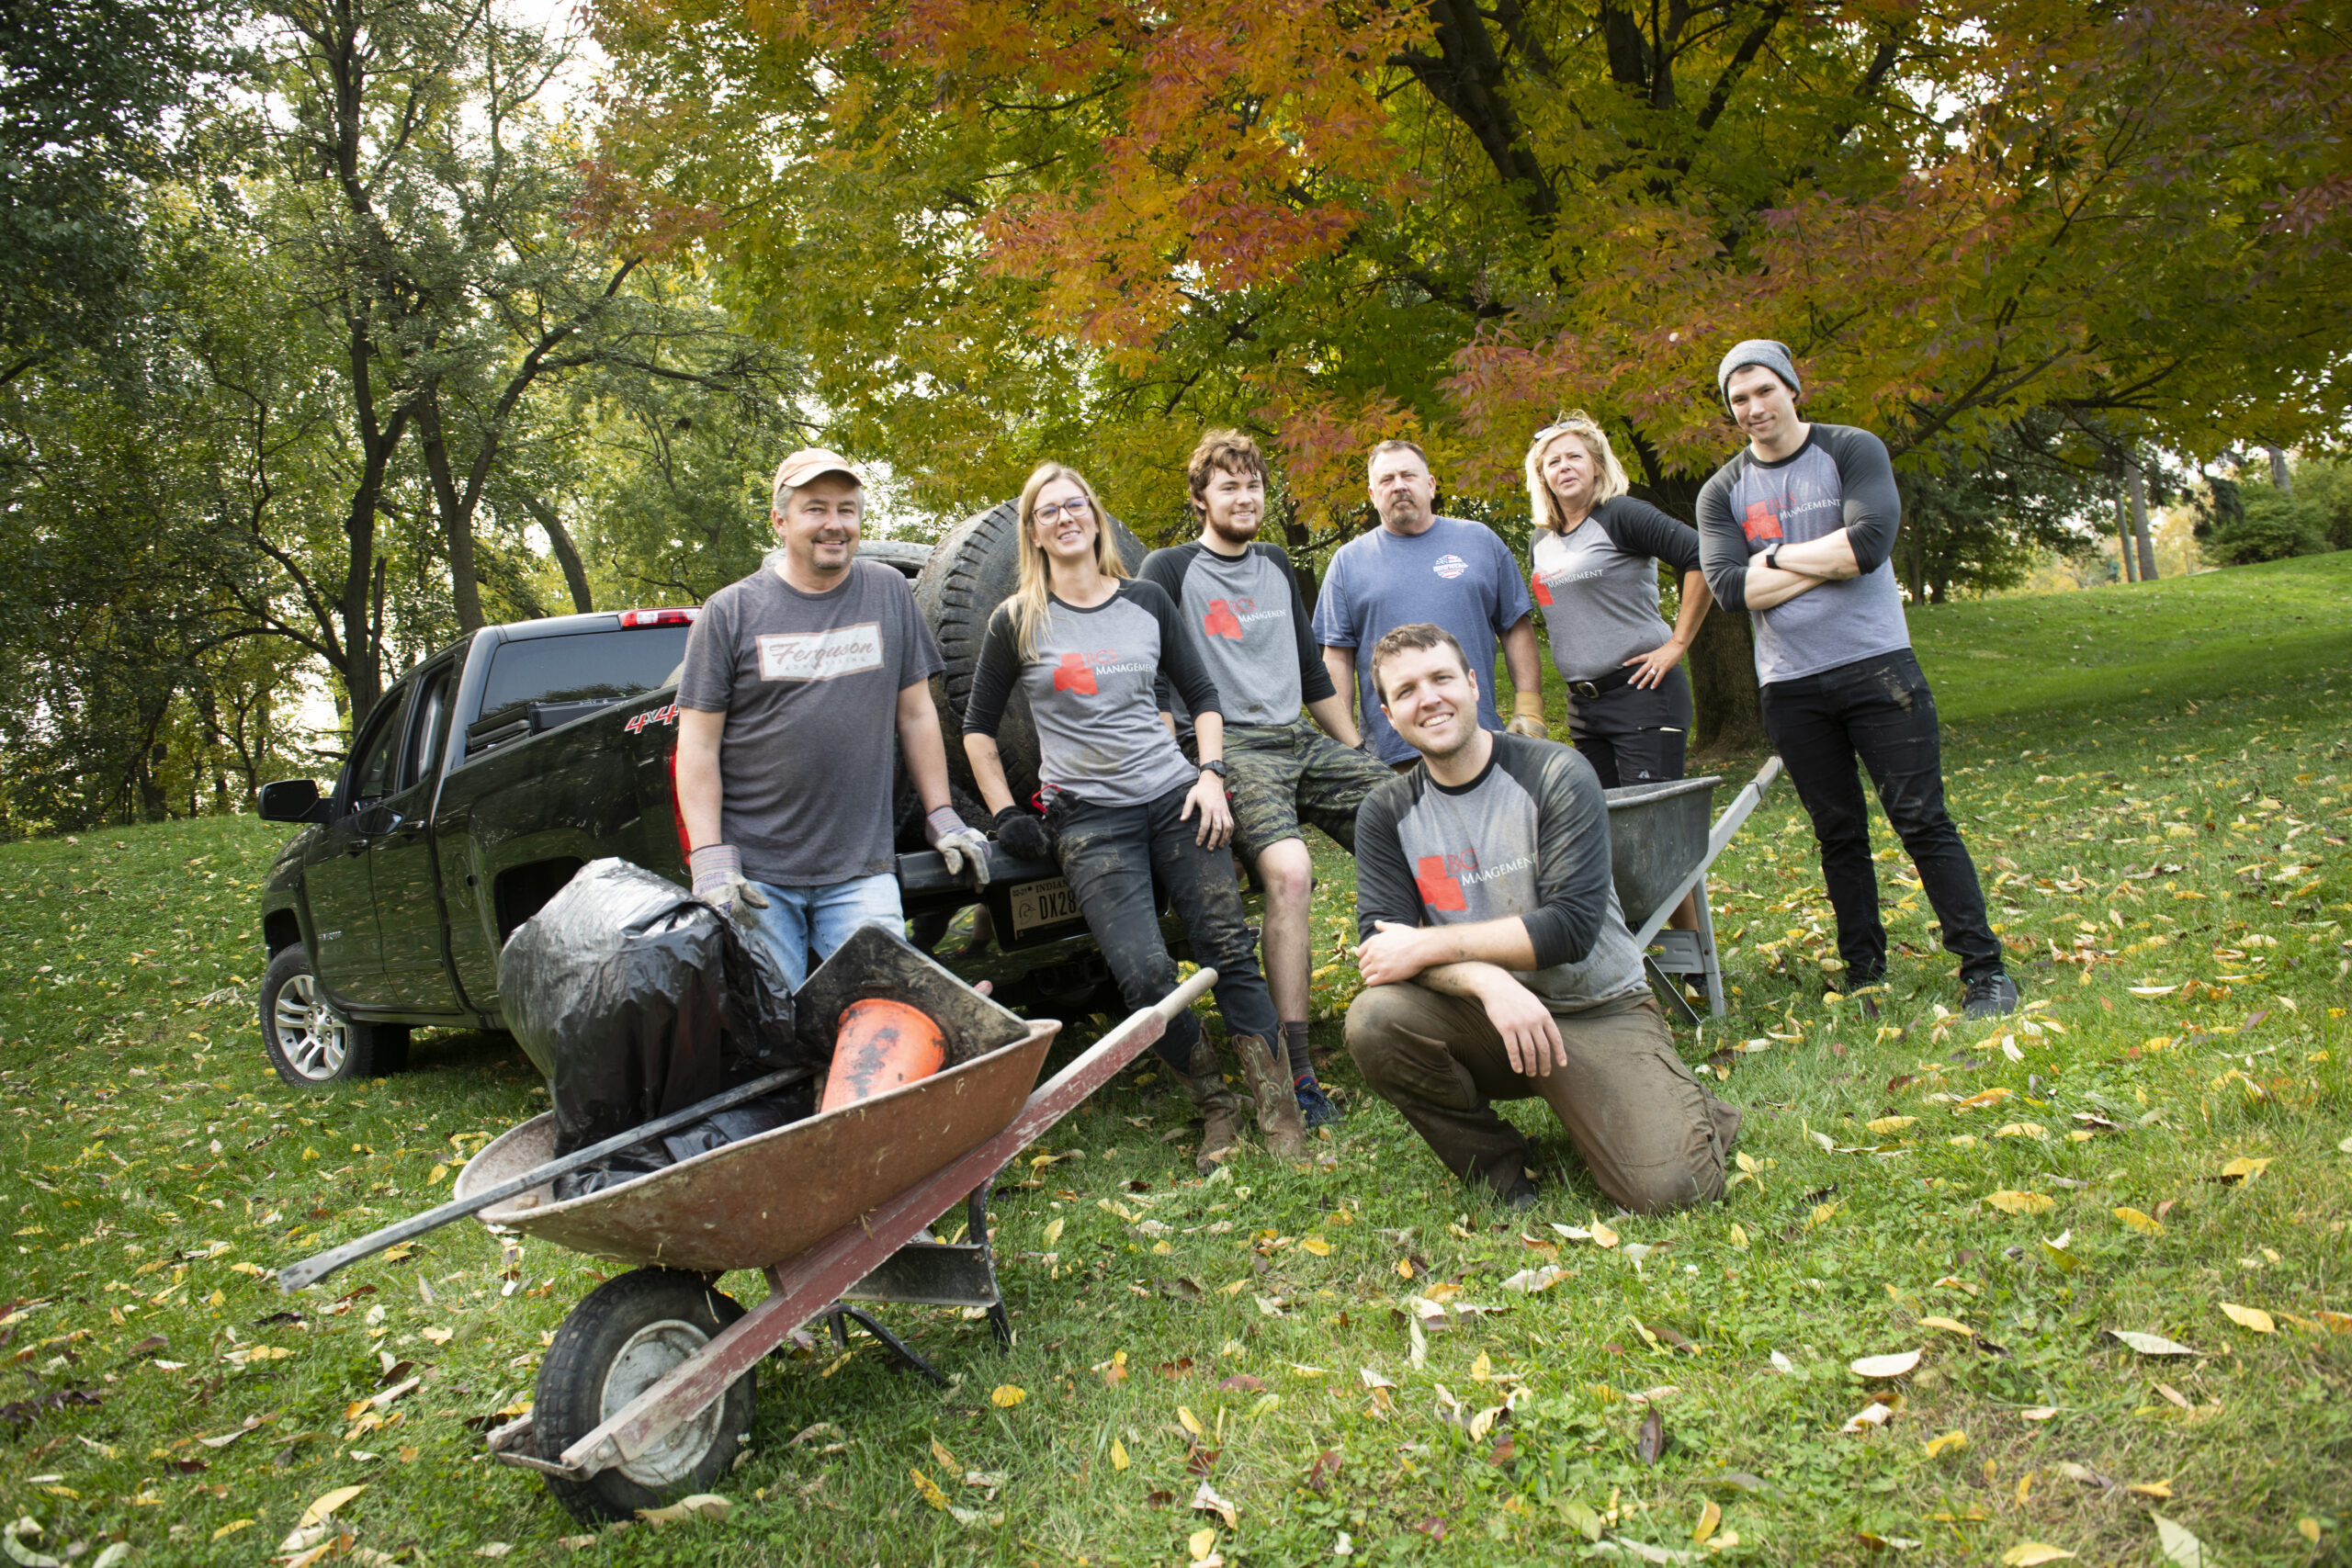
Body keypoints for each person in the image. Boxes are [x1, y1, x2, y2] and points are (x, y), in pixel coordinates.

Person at [962, 462, 1305, 1171]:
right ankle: (1216, 1105)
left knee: (1227, 949)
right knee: (1144, 977)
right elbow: (977, 730)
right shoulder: (1016, 620)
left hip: (1177, 797)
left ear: (1095, 517)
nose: (1066, 518)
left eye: (1076, 505)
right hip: (1089, 819)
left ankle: (1279, 1108)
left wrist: (1211, 775)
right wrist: (1003, 812)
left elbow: (1202, 696)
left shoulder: (1146, 599)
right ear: (1033, 532)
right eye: (1049, 511)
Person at [1343, 623, 1741, 1213]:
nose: (1427, 699)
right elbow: (1383, 951)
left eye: (1441, 678)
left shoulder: (1556, 773)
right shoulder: (1385, 812)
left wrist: (1430, 945)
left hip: (1595, 1008)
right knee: (1375, 1019)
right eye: (1406, 691)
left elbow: (1570, 929)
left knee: (1673, 1192)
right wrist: (1487, 980)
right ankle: (1501, 1171)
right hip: (1484, 1019)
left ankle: (1683, 1106)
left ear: (1473, 684)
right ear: (1388, 714)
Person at [1694, 340, 2018, 1019]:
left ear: (1792, 388)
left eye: (1764, 390)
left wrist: (1770, 559)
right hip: (1790, 686)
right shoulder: (1721, 490)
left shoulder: (1850, 449)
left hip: (1879, 668)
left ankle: (1985, 971)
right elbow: (1728, 589)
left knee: (1922, 819)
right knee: (1838, 835)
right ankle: (1865, 972)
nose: (1753, 407)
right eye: (1738, 398)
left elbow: (1867, 546)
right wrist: (1819, 560)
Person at [1141, 430, 1396, 1129]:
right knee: (1289, 872)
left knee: (1409, 815)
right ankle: (1299, 1071)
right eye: (1228, 486)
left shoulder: (1277, 562)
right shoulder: (1168, 569)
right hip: (1229, 747)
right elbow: (1154, 682)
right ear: (1200, 499)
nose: (1245, 497)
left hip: (1299, 739)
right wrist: (1190, 773)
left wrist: (1359, 755)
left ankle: (1433, 986)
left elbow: (1312, 675)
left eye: (1253, 484)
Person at [674, 448, 991, 990]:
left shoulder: (888, 592)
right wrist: (709, 859)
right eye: (815, 508)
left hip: (861, 869)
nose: (834, 524)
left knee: (886, 1008)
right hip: (757, 875)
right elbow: (698, 746)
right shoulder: (729, 612)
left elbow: (917, 715)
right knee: (774, 1019)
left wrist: (940, 814)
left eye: (847, 509)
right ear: (780, 521)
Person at [1311, 440, 1547, 769]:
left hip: (1480, 740)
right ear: (1372, 494)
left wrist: (1529, 706)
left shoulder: (1480, 541)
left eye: (1408, 475)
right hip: (1393, 756)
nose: (1399, 486)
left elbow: (1515, 627)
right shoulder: (1347, 562)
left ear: (1431, 484)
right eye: (1387, 479)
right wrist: (1347, 744)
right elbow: (1337, 656)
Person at [1524, 412, 1714, 790]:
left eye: (1575, 456)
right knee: (1602, 820)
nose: (1565, 467)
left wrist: (1678, 643)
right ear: (1543, 476)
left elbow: (1702, 555)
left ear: (1597, 465)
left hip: (1643, 694)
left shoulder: (1622, 514)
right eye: (1553, 462)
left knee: (1647, 822)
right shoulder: (1539, 541)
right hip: (1584, 708)